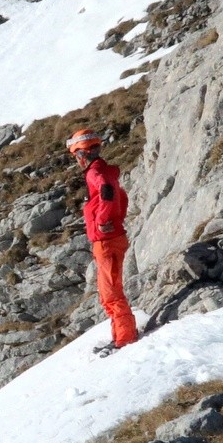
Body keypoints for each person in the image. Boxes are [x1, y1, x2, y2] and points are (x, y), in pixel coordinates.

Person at [67, 128, 140, 352]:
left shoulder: (94, 173)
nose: (77, 160)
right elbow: (121, 196)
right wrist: (115, 218)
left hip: (106, 241)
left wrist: (102, 221)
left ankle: (125, 339)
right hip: (113, 237)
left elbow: (107, 191)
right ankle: (120, 334)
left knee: (111, 293)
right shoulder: (106, 170)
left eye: (77, 155)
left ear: (82, 154)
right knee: (109, 291)